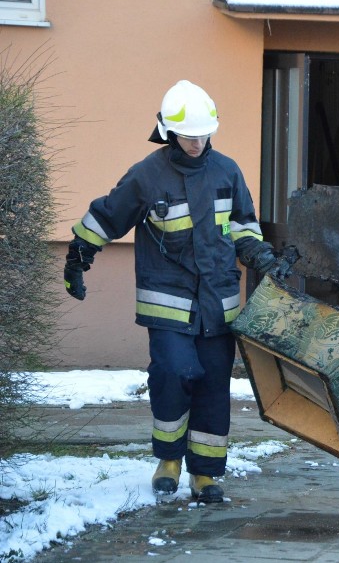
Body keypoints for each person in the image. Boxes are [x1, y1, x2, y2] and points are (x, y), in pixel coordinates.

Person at [63, 80, 285, 503]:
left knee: (214, 387)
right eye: (188, 135)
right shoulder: (148, 174)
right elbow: (109, 216)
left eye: (203, 134)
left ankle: (205, 475)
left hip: (218, 304)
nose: (197, 142)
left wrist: (262, 256)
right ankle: (168, 459)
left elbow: (242, 225)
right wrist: (78, 256)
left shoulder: (227, 171)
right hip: (168, 301)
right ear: (167, 131)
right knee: (175, 373)